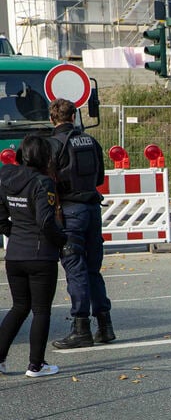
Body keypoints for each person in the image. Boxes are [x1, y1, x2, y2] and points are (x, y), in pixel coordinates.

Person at [47, 98, 114, 350]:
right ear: (74, 117)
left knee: (75, 269)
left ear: (52, 119)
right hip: (92, 209)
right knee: (93, 269)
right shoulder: (91, 141)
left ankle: (81, 328)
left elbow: (48, 182)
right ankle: (105, 326)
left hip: (69, 211)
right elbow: (100, 177)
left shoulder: (53, 144)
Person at [0, 134, 67, 377]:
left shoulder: (5, 176)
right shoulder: (43, 183)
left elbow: (0, 217)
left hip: (15, 254)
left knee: (19, 307)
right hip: (40, 255)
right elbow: (45, 221)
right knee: (41, 310)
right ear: (45, 156)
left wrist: (14, 232)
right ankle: (36, 365)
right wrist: (63, 240)